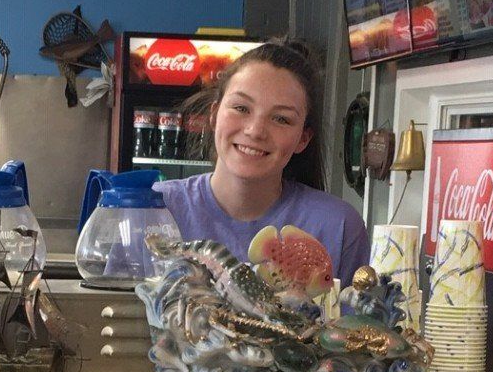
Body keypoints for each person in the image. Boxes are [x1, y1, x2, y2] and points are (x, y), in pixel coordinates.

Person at [159, 38, 371, 285]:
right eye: (241, 108)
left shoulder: (340, 226)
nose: (255, 130)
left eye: (281, 119)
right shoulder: (153, 209)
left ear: (303, 138)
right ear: (214, 115)